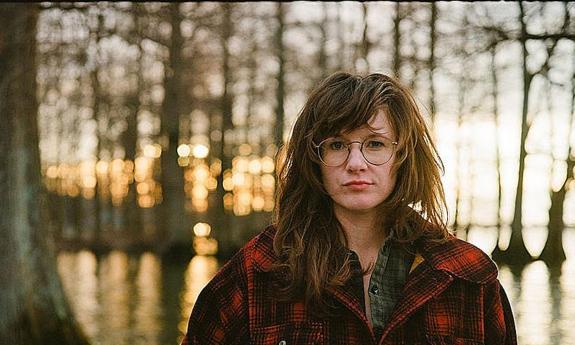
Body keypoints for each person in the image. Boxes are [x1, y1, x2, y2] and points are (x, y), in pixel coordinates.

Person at [181, 72, 517, 345]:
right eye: (337, 145)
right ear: (315, 159)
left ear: (402, 157)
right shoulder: (259, 271)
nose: (355, 163)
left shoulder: (467, 276)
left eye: (375, 144)